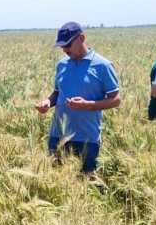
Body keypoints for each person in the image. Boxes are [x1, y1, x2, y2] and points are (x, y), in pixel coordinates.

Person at [35, 21, 121, 175]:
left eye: (68, 45)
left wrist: (88, 105)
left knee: (85, 183)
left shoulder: (103, 66)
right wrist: (48, 102)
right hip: (58, 135)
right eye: (62, 46)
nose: (65, 50)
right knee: (54, 180)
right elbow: (57, 93)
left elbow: (116, 100)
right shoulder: (62, 65)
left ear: (81, 38)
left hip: (86, 138)